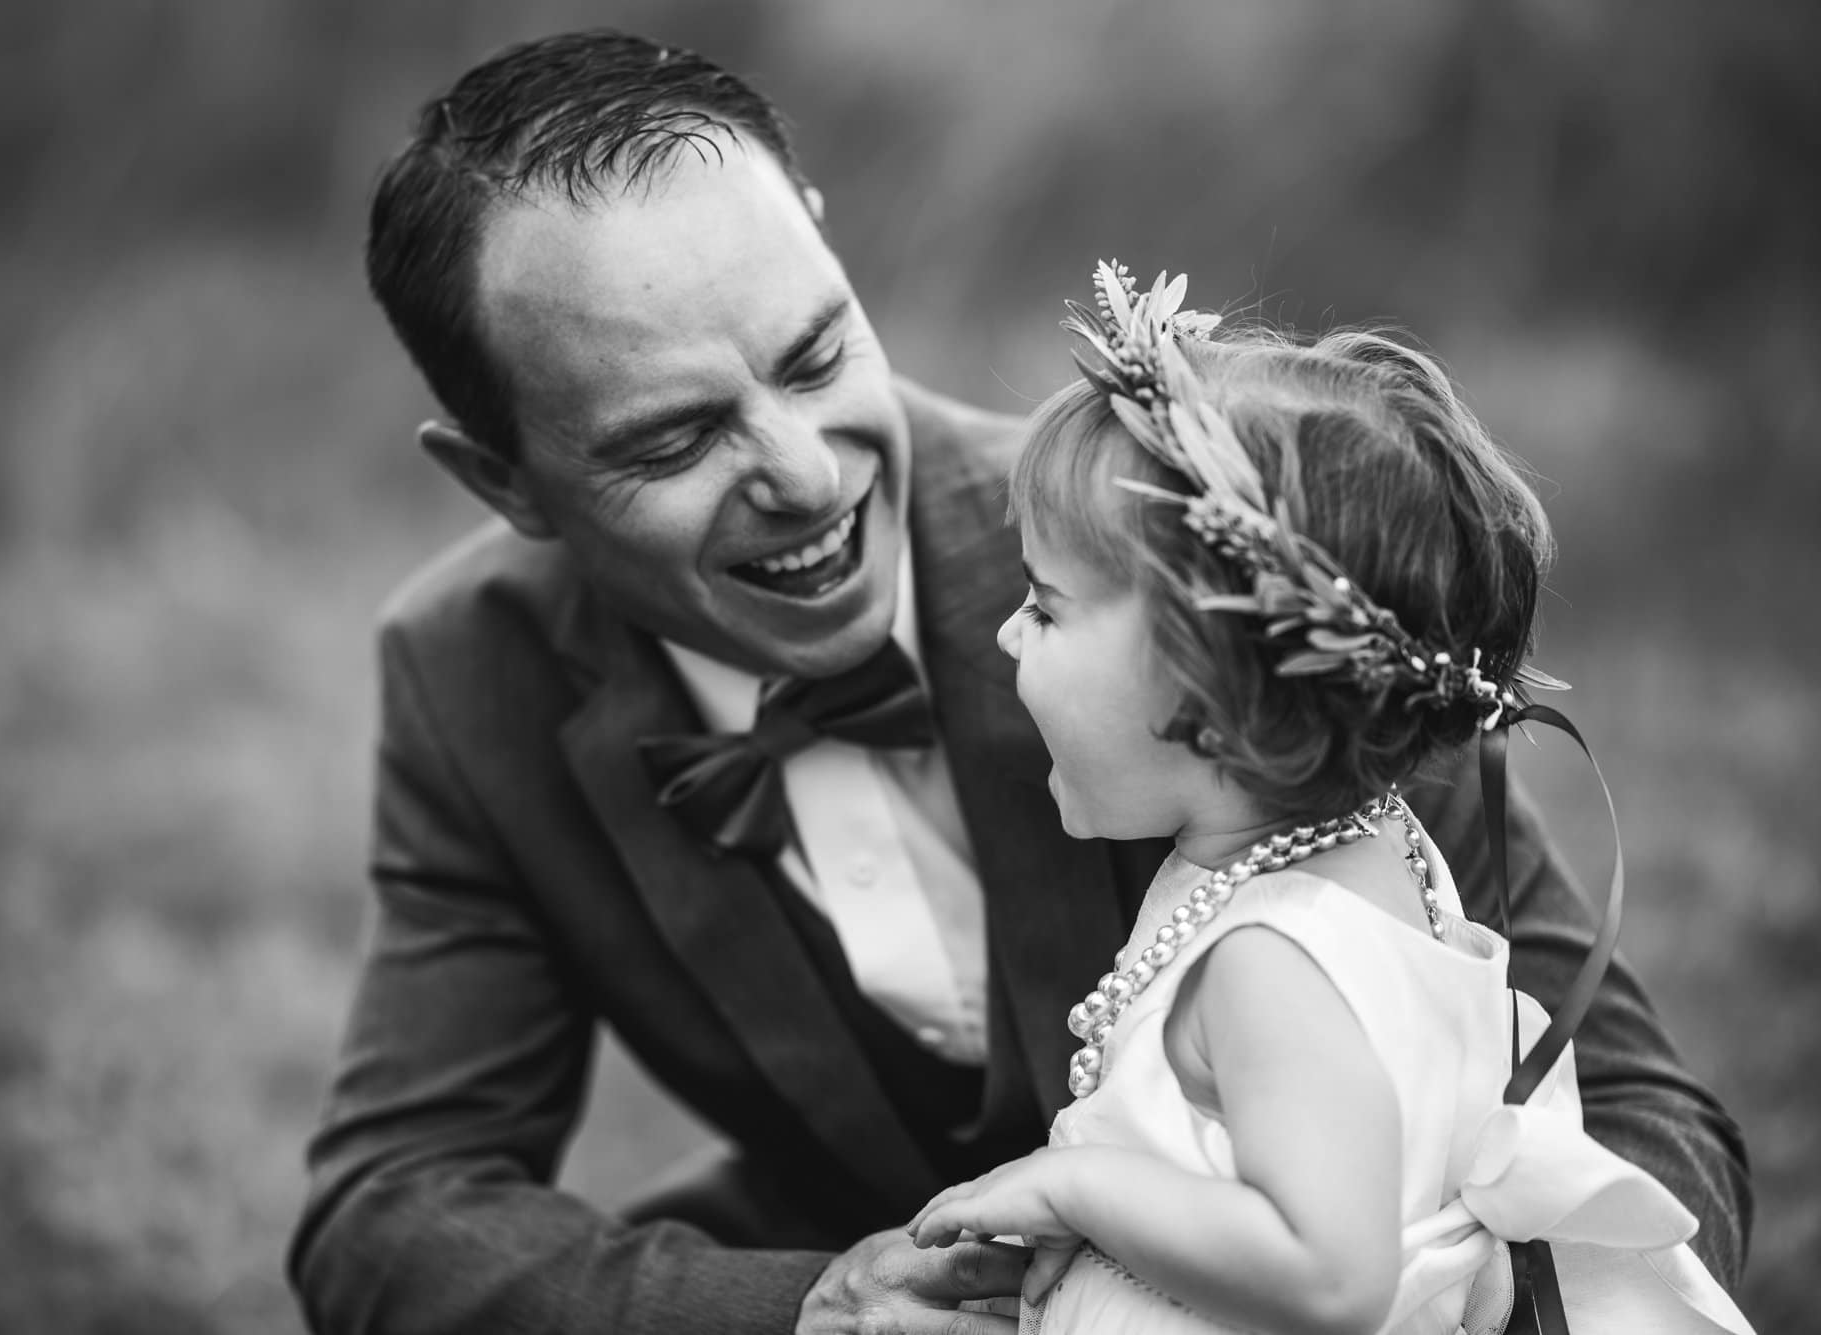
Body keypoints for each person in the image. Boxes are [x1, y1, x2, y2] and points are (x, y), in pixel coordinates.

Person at [288, 30, 1750, 1335]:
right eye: (672, 442)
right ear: (504, 482)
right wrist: (811, 1304)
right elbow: (390, 1207)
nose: (803, 477)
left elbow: (1626, 1101)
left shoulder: (1220, 562)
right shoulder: (467, 667)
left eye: (814, 356)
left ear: (823, 240)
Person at [904, 266, 1757, 1334]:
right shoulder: (1381, 850)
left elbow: (1330, 1275)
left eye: (1044, 606)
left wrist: (1074, 1187)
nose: (1005, 633)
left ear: (1205, 697)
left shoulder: (1269, 964)